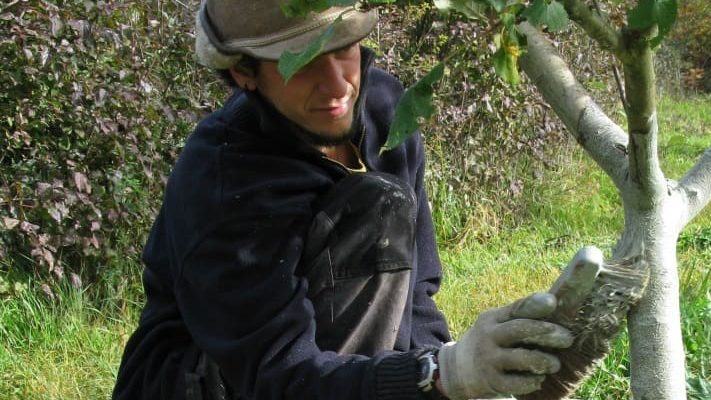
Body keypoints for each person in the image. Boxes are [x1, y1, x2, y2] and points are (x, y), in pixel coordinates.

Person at [112, 1, 573, 399]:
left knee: (380, 207)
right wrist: (439, 375)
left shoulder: (386, 110)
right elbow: (280, 376)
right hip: (213, 382)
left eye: (343, 47)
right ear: (243, 72)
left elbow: (415, 296)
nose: (337, 87)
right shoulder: (224, 186)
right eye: (303, 61)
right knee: (370, 210)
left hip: (315, 372)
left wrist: (443, 367)